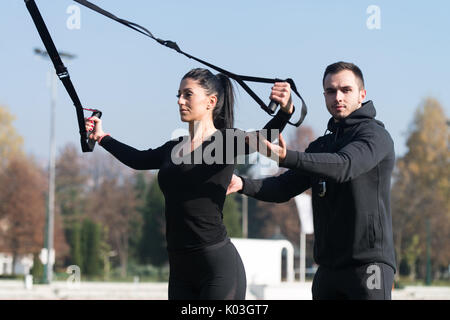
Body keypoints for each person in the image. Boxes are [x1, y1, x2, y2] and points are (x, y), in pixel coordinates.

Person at [85, 68, 295, 300]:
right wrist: (101, 137)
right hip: (179, 269)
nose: (180, 101)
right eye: (178, 95)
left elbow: (266, 135)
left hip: (217, 267)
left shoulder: (226, 142)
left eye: (188, 94)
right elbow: (137, 159)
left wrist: (286, 111)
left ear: (210, 101)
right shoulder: (173, 148)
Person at [227, 61, 396, 300]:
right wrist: (241, 183)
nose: (338, 97)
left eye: (346, 90)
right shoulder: (321, 146)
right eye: (330, 91)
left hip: (369, 267)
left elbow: (343, 166)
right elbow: (283, 188)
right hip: (327, 270)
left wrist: (287, 157)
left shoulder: (375, 136)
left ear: (362, 95)